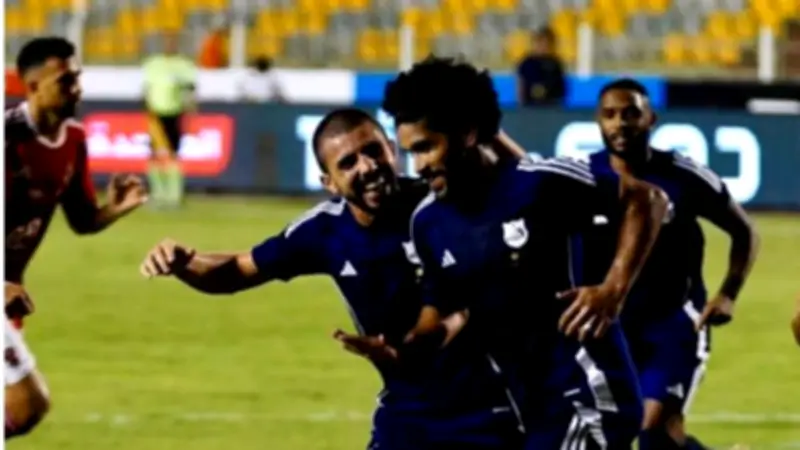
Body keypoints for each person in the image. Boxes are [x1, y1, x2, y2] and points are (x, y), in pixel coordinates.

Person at [139, 108, 525, 450]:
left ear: (392, 150)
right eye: (348, 163)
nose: (367, 167)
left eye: (373, 151)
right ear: (329, 182)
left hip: (492, 409)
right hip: (407, 414)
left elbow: (532, 199)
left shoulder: (445, 204)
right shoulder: (324, 231)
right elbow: (238, 270)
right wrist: (185, 263)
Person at [381, 56, 669, 449]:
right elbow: (440, 311)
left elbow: (648, 199)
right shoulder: (428, 222)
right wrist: (404, 349)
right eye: (410, 153)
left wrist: (612, 290)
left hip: (590, 392)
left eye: (426, 148)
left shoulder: (539, 183)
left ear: (467, 133)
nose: (419, 166)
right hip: (530, 407)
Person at [585, 78, 759, 450]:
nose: (620, 124)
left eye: (631, 113)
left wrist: (728, 293)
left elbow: (744, 232)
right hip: (611, 328)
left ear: (651, 119)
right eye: (610, 115)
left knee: (652, 432)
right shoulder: (585, 178)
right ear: (598, 121)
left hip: (675, 324)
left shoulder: (683, 175)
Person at [5, 36, 148, 440]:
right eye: (65, 81)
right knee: (28, 403)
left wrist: (115, 208)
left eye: (77, 78)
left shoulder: (74, 140)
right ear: (33, 86)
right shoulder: (7, 139)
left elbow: (82, 220)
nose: (77, 89)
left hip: (10, 297)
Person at [142, 32, 197, 209]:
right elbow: (146, 88)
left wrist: (190, 106)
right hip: (156, 115)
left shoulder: (184, 65)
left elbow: (191, 89)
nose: (169, 45)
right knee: (154, 156)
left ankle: (173, 196)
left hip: (174, 114)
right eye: (166, 42)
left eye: (172, 42)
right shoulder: (153, 64)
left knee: (173, 155)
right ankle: (158, 193)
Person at [516, 26, 566, 107]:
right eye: (541, 42)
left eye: (547, 43)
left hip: (552, 107)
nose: (544, 46)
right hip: (530, 107)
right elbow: (521, 87)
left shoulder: (555, 63)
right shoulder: (527, 63)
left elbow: (560, 89)